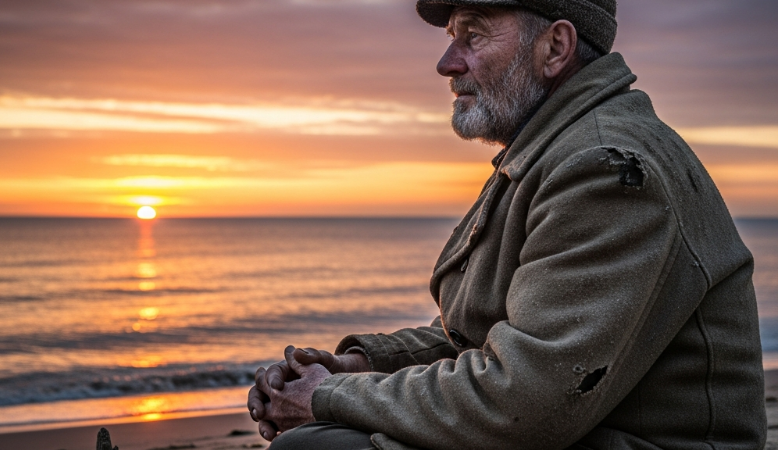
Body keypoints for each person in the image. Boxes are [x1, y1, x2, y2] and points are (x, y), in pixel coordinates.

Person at [248, 1, 767, 449]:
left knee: (320, 448)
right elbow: (494, 333)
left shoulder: (605, 169)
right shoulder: (555, 153)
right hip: (589, 432)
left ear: (555, 47)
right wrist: (362, 366)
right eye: (453, 39)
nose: (447, 64)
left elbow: (526, 400)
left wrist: (325, 397)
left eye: (473, 35)